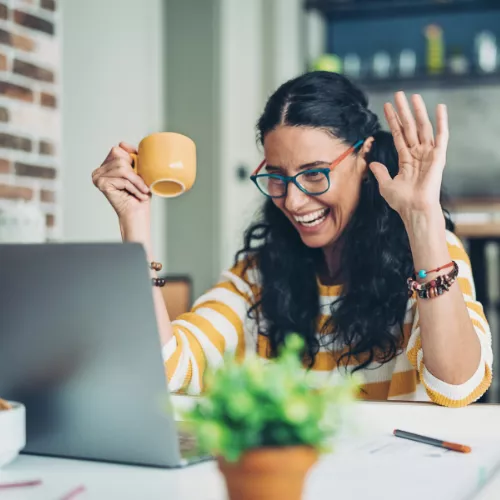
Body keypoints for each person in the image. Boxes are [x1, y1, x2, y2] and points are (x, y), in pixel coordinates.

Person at [93, 71, 492, 407]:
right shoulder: (257, 276)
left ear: (364, 157)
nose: (295, 200)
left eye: (315, 173)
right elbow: (168, 371)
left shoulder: (430, 256)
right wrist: (135, 223)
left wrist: (423, 220)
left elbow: (457, 385)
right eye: (278, 178)